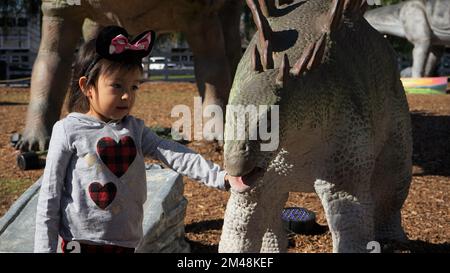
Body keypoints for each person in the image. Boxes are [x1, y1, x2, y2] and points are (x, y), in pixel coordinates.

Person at [34, 26, 235, 253]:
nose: (127, 95)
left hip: (126, 243)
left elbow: (175, 154)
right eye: (117, 85)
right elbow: (49, 195)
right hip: (79, 243)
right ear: (87, 87)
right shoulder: (69, 130)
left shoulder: (135, 129)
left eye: (134, 86)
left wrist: (222, 178)